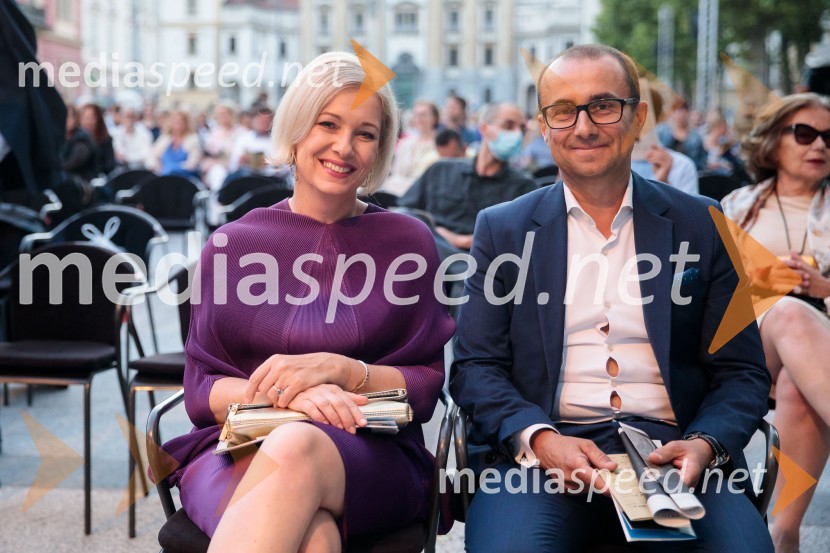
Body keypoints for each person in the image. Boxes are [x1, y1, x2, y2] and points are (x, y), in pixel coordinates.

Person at [450, 44, 773, 552]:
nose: (583, 127)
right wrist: (539, 439)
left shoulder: (703, 223)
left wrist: (705, 444)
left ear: (638, 115)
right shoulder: (503, 229)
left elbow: (743, 370)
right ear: (543, 125)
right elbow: (474, 366)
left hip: (677, 454)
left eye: (603, 106)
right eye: (563, 111)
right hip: (544, 458)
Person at [159, 52, 455, 552]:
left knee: (296, 450)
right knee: (314, 535)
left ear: (380, 148)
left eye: (366, 133)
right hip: (240, 445)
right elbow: (199, 393)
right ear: (296, 129)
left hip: (373, 453)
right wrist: (293, 396)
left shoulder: (408, 241)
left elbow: (424, 387)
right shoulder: (233, 243)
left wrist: (340, 370)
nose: (345, 146)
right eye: (328, 124)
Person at [721, 92, 830, 553]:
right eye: (804, 133)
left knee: (794, 388)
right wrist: (761, 282)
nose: (819, 145)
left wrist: (822, 288)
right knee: (786, 310)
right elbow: (705, 294)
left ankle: (782, 535)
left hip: (815, 350)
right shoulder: (736, 206)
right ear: (773, 142)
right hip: (747, 343)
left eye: (829, 136)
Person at [399, 102, 537, 250]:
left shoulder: (525, 188)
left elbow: (518, 240)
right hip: (427, 256)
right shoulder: (440, 171)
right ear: (484, 128)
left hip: (480, 266)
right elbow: (405, 213)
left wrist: (460, 240)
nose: (516, 134)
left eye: (522, 129)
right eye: (508, 126)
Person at [382, 99, 441, 196]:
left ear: (435, 118)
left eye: (423, 114)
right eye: (416, 115)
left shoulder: (441, 145)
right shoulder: (405, 144)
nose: (419, 119)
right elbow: (396, 173)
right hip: (401, 193)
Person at [657, 97, 708, 171]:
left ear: (688, 112)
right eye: (676, 111)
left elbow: (701, 163)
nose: (679, 115)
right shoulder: (661, 131)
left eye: (682, 111)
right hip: (664, 173)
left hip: (688, 174)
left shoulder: (696, 138)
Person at [147, 110, 202, 177]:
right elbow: (152, 156)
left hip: (186, 176)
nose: (178, 124)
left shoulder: (193, 139)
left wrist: (175, 168)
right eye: (175, 121)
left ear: (186, 123)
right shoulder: (164, 139)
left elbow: (192, 164)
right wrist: (159, 167)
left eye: (180, 121)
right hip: (164, 175)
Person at [79, 103, 116, 176]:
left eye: (91, 118)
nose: (87, 122)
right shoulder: (76, 140)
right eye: (85, 118)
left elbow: (109, 164)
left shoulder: (106, 140)